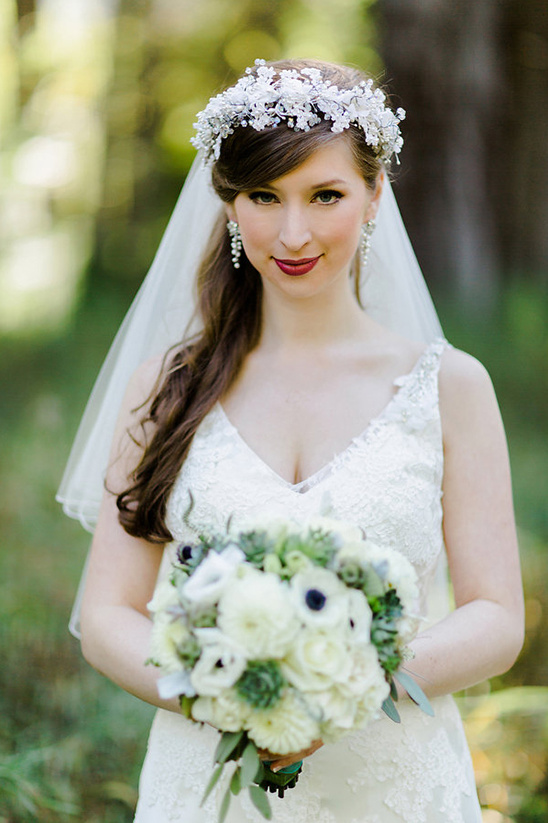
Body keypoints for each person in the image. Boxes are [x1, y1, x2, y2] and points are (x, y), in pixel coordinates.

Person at [58, 59, 524, 822]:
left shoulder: (450, 387)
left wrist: (351, 683)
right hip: (205, 785)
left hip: (392, 786)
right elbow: (108, 614)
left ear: (375, 195)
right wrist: (219, 694)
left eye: (326, 195)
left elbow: (497, 615)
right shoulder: (166, 386)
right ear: (230, 204)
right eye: (264, 197)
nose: (294, 232)